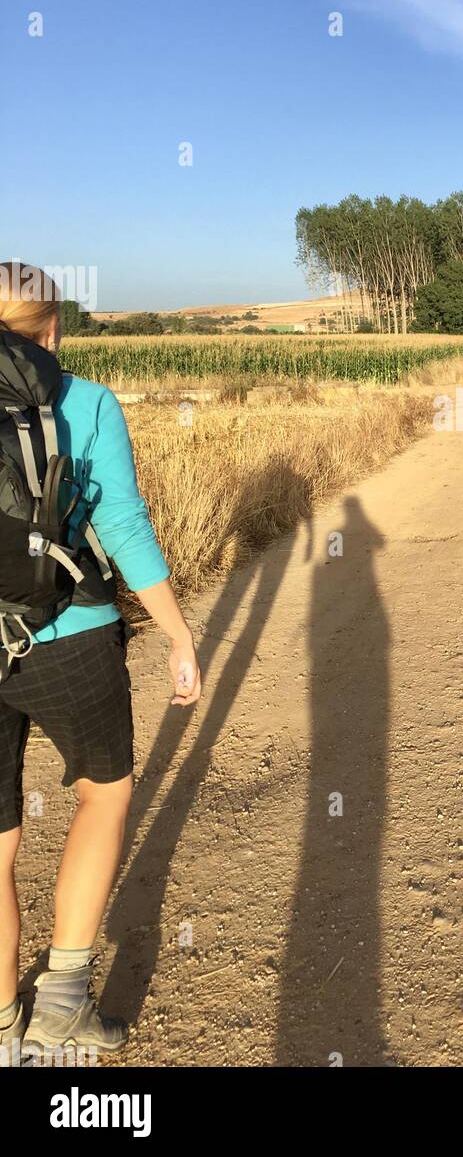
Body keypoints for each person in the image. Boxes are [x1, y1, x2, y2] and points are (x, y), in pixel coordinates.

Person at [0, 264, 202, 1062]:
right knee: (103, 797)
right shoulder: (85, 402)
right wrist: (179, 634)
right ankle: (60, 1012)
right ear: (54, 327)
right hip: (70, 635)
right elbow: (121, 523)